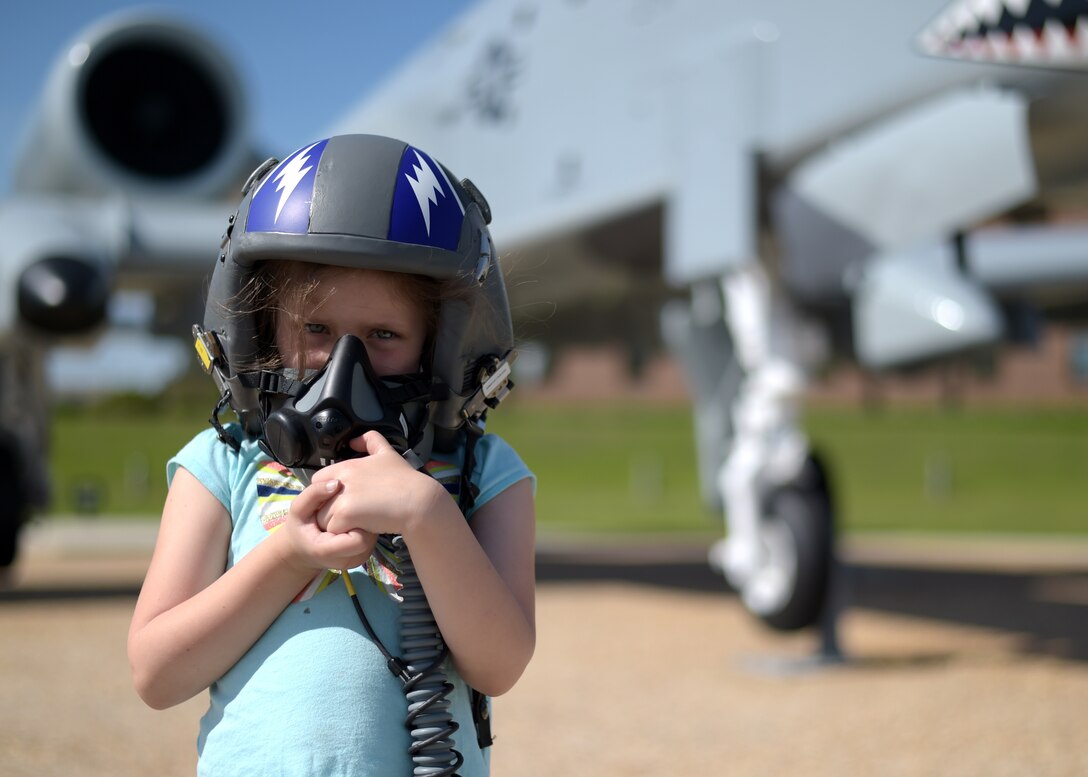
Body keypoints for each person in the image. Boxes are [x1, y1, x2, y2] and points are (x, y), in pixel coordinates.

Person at [127, 134, 536, 777]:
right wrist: (287, 557)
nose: (345, 367)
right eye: (315, 330)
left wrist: (428, 515)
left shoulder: (482, 472)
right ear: (263, 331)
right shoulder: (225, 460)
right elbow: (155, 672)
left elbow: (501, 663)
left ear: (438, 348)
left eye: (384, 335)